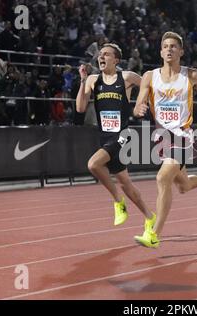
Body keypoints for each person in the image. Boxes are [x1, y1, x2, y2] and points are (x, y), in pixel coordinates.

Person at [132, 32, 197, 248]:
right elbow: (138, 104)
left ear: (181, 51)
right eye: (165, 46)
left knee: (162, 179)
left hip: (183, 137)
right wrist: (138, 109)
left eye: (173, 46)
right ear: (160, 51)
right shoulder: (149, 76)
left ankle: (154, 234)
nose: (169, 49)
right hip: (162, 140)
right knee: (183, 186)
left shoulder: (192, 76)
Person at [76, 43, 155, 231]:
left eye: (106, 54)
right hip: (104, 136)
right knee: (125, 183)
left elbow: (149, 84)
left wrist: (140, 104)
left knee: (93, 164)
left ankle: (118, 202)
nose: (101, 57)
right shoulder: (93, 80)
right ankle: (150, 217)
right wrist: (82, 80)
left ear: (116, 60)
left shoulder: (126, 77)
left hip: (122, 136)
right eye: (100, 55)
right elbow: (80, 108)